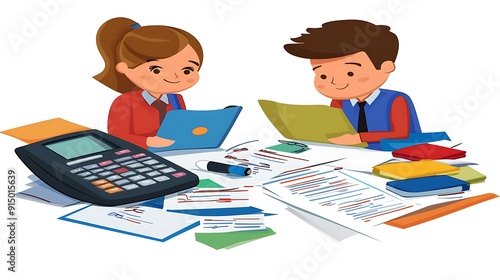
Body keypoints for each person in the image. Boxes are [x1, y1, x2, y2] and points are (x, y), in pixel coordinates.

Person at [284, 19, 421, 150]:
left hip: (397, 157)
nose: (334, 82)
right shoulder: (339, 102)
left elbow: (401, 134)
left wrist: (359, 138)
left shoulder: (396, 100)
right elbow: (335, 132)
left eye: (350, 73)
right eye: (323, 76)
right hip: (351, 157)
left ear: (386, 67)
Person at [93, 17, 203, 149]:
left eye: (187, 70)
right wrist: (148, 142)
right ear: (124, 67)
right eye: (156, 70)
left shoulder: (177, 100)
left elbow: (181, 129)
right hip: (138, 156)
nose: (174, 76)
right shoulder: (124, 102)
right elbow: (116, 137)